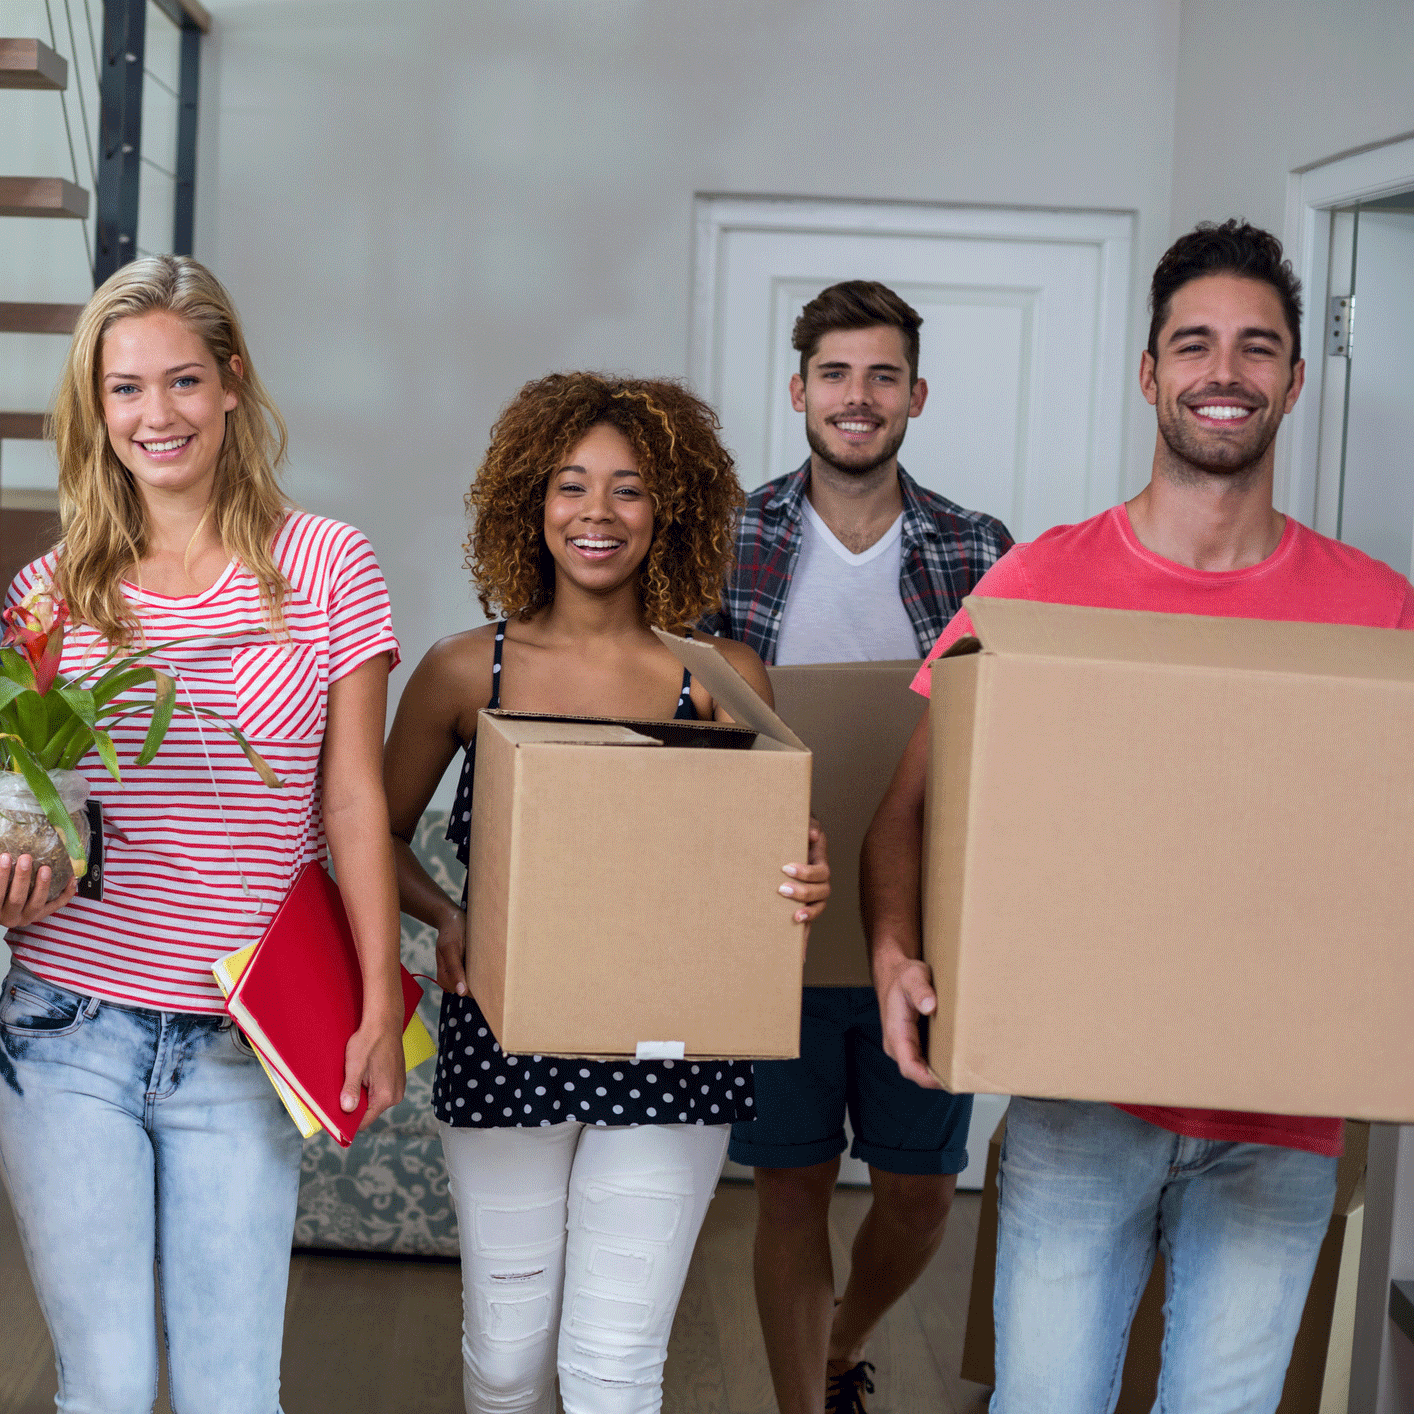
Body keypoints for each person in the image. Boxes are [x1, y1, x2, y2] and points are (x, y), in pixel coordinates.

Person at [862, 220, 1414, 1413]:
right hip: (1080, 1107)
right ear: (1150, 372)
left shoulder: (1378, 617)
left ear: (1295, 380)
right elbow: (905, 812)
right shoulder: (1039, 585)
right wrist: (895, 951)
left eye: (1256, 348)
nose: (1226, 373)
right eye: (1195, 344)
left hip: (1284, 1122)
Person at [0, 255, 405, 1412]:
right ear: (97, 408)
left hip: (240, 1037)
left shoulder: (327, 565)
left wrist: (378, 1001)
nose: (155, 414)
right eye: (125, 389)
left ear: (232, 383)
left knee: (234, 1393)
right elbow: (33, 810)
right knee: (108, 1390)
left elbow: (351, 805)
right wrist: (11, 878)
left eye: (182, 380)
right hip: (64, 1027)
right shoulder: (49, 595)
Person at [383, 371, 830, 1414]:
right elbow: (370, 839)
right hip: (504, 1037)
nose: (596, 514)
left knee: (612, 1364)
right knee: (505, 1360)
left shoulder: (722, 677)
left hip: (671, 1055)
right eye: (571, 486)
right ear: (529, 504)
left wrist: (794, 876)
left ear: (668, 507)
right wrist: (446, 916)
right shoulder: (463, 672)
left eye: (627, 489)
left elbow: (763, 859)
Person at [712, 281, 1012, 1414]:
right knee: (787, 1186)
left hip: (921, 927)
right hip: (775, 921)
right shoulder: (735, 535)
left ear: (916, 396)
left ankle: (843, 1342)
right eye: (835, 374)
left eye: (882, 376)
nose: (858, 397)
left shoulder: (978, 546)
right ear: (798, 391)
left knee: (921, 1192)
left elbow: (1001, 740)